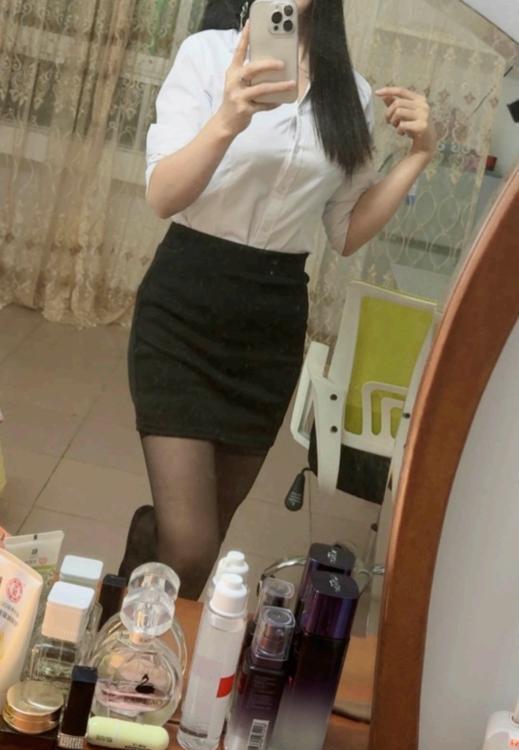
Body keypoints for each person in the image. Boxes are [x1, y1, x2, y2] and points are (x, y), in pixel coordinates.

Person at [119, 0, 437, 598]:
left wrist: (419, 156)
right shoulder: (208, 56)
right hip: (184, 307)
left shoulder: (351, 95)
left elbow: (345, 230)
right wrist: (227, 119)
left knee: (204, 540)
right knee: (190, 547)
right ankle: (145, 576)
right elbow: (163, 195)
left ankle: (136, 617)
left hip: (270, 326)